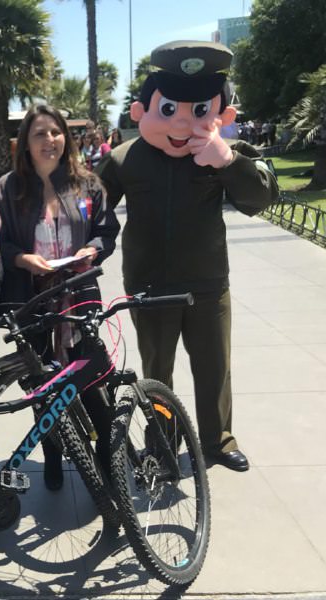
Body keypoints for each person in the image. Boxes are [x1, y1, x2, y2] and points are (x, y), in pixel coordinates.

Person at [96, 40, 279, 472]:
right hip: (149, 286)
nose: (183, 121)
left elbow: (262, 197)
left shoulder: (222, 152)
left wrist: (228, 160)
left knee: (214, 367)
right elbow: (92, 211)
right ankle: (162, 443)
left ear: (221, 115)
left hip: (207, 282)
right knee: (158, 373)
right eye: (170, 107)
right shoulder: (125, 159)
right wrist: (89, 250)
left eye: (199, 109)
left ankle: (217, 441)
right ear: (143, 111)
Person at [0, 104, 120, 490]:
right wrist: (21, 258)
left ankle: (105, 457)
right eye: (39, 134)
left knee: (91, 376)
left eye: (55, 132)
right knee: (44, 384)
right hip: (32, 302)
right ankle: (52, 455)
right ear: (25, 144)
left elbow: (107, 229)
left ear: (66, 137)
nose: (49, 141)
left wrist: (92, 250)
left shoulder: (87, 184)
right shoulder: (7, 189)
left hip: (79, 297)